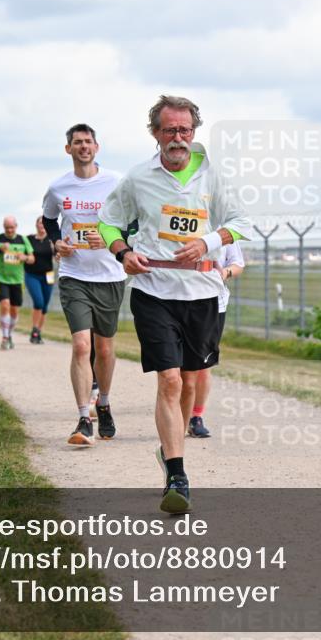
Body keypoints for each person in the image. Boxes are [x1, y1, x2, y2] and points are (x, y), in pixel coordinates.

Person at [94, 95, 251, 513]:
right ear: (155, 134)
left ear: (194, 132)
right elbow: (107, 220)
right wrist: (122, 252)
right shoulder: (138, 178)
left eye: (184, 130)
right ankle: (178, 473)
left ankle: (170, 448)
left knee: (189, 379)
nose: (177, 138)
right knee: (169, 380)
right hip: (153, 289)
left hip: (201, 292)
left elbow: (242, 223)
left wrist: (208, 240)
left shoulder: (213, 177)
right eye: (169, 131)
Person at [42, 123, 125, 446]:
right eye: (77, 142)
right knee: (81, 345)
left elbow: (132, 222)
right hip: (74, 274)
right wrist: (55, 243)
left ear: (97, 147)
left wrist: (107, 238)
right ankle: (82, 417)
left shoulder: (115, 183)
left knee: (104, 348)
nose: (83, 147)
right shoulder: (58, 187)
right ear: (68, 149)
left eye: (88, 142)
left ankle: (103, 402)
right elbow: (49, 220)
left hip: (109, 275)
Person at [188, 241, 245, 438]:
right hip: (174, 299)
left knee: (203, 365)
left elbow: (238, 264)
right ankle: (178, 413)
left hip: (214, 302)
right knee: (175, 367)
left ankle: (196, 417)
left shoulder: (224, 228)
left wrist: (224, 273)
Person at [0, 216, 34, 350]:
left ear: (16, 226)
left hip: (17, 279)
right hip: (0, 277)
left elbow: (32, 259)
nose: (10, 230)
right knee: (5, 305)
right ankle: (5, 337)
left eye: (12, 227)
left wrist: (25, 257)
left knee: (14, 310)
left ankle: (9, 334)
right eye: (7, 227)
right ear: (3, 227)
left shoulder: (23, 240)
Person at [24, 216, 56, 344]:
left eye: (44, 224)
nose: (42, 226)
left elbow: (56, 255)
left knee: (45, 306)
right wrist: (26, 257)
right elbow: (25, 253)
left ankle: (38, 332)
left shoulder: (51, 240)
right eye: (39, 223)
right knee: (39, 302)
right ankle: (35, 330)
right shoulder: (29, 239)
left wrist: (56, 250)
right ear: (36, 225)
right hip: (32, 275)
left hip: (48, 275)